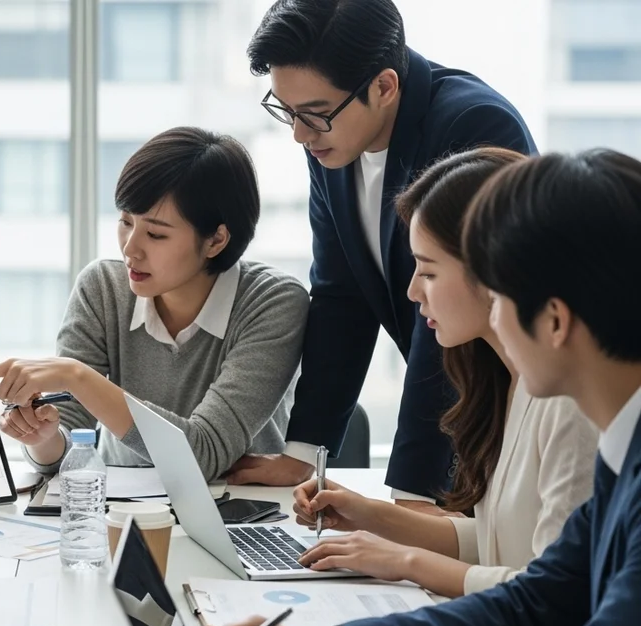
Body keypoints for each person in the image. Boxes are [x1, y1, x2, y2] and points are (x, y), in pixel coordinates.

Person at [206, 149, 641, 626]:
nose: (413, 293)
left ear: (554, 319)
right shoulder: (620, 452)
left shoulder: (599, 435)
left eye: (500, 293)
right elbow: (541, 601)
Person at [230, 0, 537, 509]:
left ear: (385, 86)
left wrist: (412, 492)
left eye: (315, 115)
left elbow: (448, 318)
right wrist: (306, 450)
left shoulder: (474, 125)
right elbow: (339, 294)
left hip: (507, 415)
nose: (299, 135)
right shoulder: (333, 139)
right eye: (286, 111)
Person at [289, 148, 597, 598]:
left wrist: (405, 561)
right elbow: (499, 542)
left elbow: (553, 593)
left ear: (494, 271)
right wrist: (368, 515)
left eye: (428, 272)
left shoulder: (569, 403)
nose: (413, 291)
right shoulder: (506, 381)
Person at [0, 128, 309, 481]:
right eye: (126, 222)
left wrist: (75, 375)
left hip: (240, 511)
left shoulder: (273, 303)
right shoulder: (103, 289)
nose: (130, 249)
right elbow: (67, 445)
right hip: (122, 507)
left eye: (156, 234)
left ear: (216, 239)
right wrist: (43, 439)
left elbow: (203, 454)